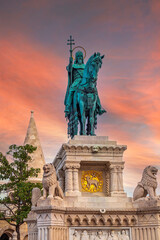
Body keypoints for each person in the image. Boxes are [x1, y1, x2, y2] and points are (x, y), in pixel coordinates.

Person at [64, 51, 106, 118]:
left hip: (85, 81)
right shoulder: (73, 66)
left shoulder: (85, 66)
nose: (80, 58)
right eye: (78, 57)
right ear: (76, 58)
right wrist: (70, 62)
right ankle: (68, 107)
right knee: (71, 90)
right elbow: (69, 70)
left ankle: (99, 107)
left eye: (81, 56)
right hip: (76, 81)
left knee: (95, 90)